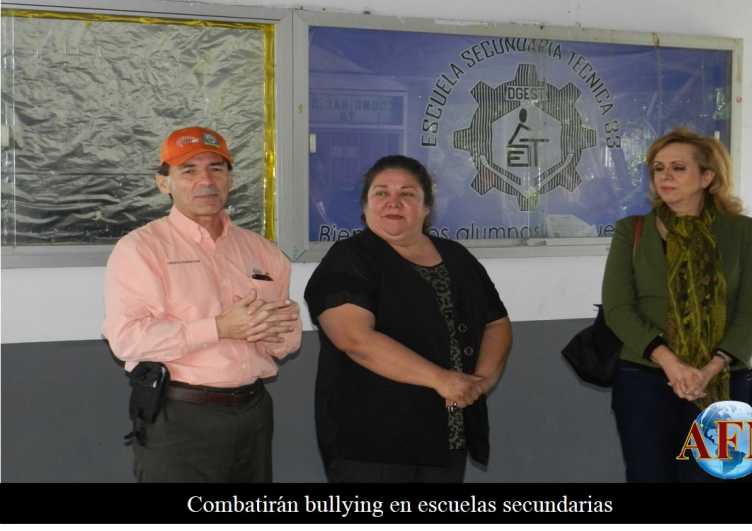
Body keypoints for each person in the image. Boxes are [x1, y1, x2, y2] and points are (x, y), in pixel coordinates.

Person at [103, 126, 301, 482]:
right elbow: (126, 339)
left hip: (254, 412)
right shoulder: (141, 249)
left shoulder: (262, 251)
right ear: (163, 183)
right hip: (181, 416)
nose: (206, 180)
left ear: (230, 180)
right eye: (189, 170)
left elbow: (288, 337)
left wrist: (274, 332)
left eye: (216, 168)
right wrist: (219, 328)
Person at [304, 155, 512, 482]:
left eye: (407, 194)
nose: (394, 202)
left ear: (426, 207)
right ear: (365, 206)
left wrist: (480, 383)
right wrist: (442, 380)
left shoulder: (457, 257)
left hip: (447, 437)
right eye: (381, 193)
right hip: (372, 442)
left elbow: (496, 323)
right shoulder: (348, 259)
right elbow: (354, 339)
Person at [602, 128, 752, 482]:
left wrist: (710, 368)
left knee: (729, 478)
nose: (665, 176)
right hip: (647, 380)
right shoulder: (631, 230)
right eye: (658, 168)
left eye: (678, 168)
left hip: (728, 379)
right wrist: (671, 363)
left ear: (707, 177)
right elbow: (618, 307)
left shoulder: (743, 231)